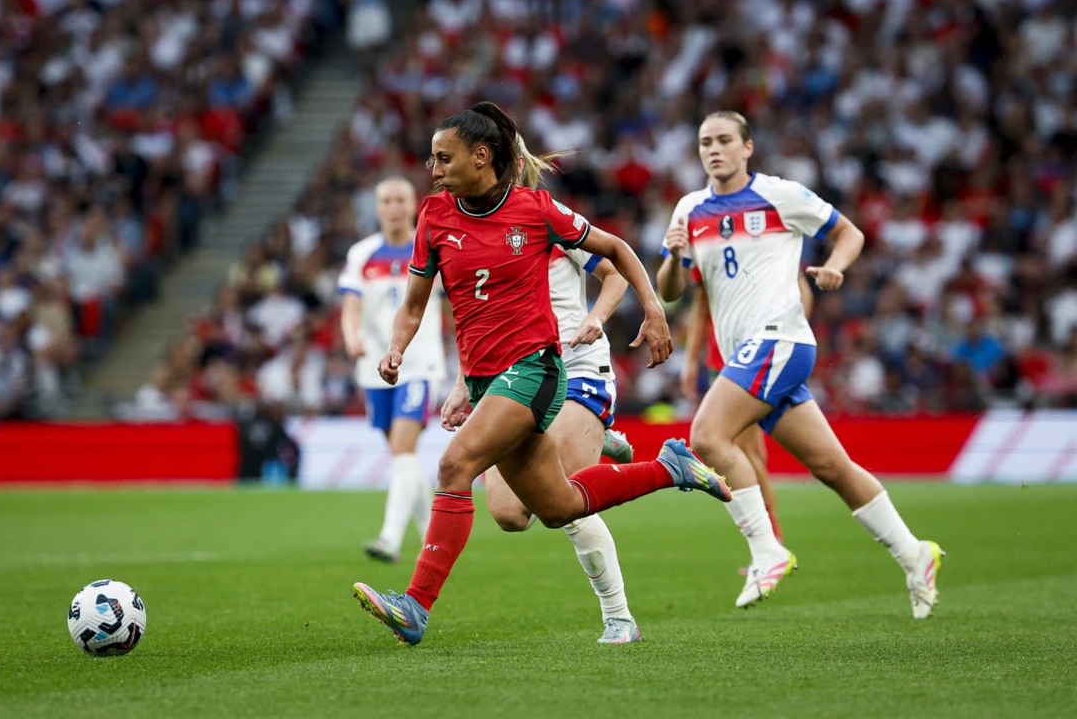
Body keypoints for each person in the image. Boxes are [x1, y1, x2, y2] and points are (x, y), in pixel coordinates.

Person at [353, 102, 731, 646]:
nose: (432, 170)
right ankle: (670, 468)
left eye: (443, 158)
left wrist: (652, 308)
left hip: (536, 370)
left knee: (455, 464)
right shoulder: (435, 216)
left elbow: (616, 251)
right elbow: (414, 304)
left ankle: (414, 605)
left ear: (481, 157)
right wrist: (395, 348)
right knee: (556, 507)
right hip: (486, 379)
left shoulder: (536, 210)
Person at [656, 110, 943, 619]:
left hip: (779, 339)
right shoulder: (690, 208)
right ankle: (913, 552)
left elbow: (849, 233)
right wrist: (673, 257)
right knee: (832, 467)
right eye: (705, 142)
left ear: (748, 148)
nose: (714, 149)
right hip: (752, 350)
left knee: (705, 436)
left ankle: (767, 549)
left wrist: (833, 268)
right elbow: (673, 292)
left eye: (724, 140)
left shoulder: (780, 194)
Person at [437, 136, 641, 644]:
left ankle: (619, 617)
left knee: (569, 501)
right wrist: (464, 382)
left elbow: (614, 274)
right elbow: (477, 321)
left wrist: (596, 317)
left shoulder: (550, 218)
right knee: (509, 515)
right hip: (512, 377)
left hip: (575, 365)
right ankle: (604, 440)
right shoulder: (471, 230)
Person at [339, 177, 444, 563]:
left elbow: (453, 304)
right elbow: (350, 308)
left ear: (413, 205)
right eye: (386, 200)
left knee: (403, 448)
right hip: (373, 367)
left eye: (401, 199)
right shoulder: (362, 254)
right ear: (378, 207)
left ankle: (389, 538)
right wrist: (352, 338)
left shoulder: (431, 246)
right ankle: (433, 539)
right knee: (404, 456)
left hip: (418, 364)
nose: (394, 207)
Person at [681, 272, 814, 561]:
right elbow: (701, 306)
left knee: (747, 450)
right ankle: (769, 541)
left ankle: (771, 543)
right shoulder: (710, 245)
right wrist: (692, 360)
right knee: (744, 449)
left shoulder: (766, 243)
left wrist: (788, 335)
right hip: (722, 360)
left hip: (755, 355)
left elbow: (803, 293)